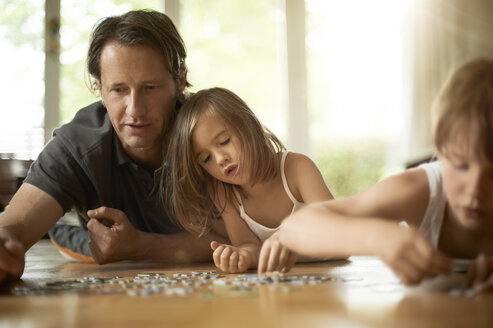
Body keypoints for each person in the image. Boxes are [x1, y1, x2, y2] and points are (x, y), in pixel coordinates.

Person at [0, 9, 228, 284]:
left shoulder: (215, 132)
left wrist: (142, 245)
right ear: (98, 87)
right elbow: (12, 228)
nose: (135, 110)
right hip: (85, 238)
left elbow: (247, 236)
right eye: (119, 89)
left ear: (179, 80)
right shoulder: (76, 145)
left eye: (151, 87)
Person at [271, 58, 493, 292]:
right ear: (440, 151)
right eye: (460, 165)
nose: (475, 190)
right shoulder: (419, 189)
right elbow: (295, 227)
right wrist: (378, 237)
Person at [163, 87, 334, 274]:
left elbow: (334, 226)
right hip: (290, 283)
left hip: (331, 273)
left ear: (248, 125)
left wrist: (289, 237)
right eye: (206, 159)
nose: (220, 159)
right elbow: (248, 245)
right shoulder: (225, 193)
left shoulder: (297, 167)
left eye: (224, 141)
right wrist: (242, 256)